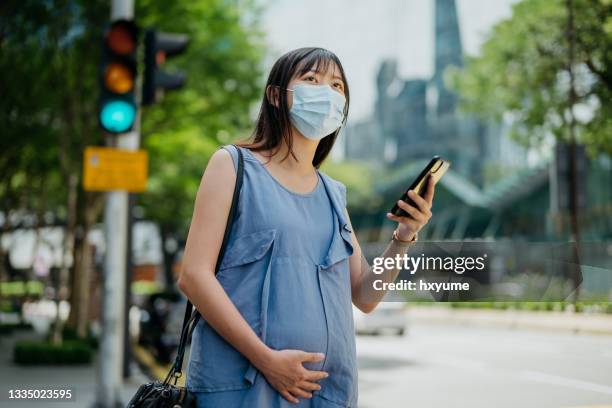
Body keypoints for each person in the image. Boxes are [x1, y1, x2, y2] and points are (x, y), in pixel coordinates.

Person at [178, 47, 436, 408]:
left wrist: (404, 235)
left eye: (337, 86)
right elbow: (193, 275)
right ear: (275, 95)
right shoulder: (233, 166)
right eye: (312, 80)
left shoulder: (333, 194)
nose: (326, 93)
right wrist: (266, 359)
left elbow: (365, 296)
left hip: (326, 393)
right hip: (242, 387)